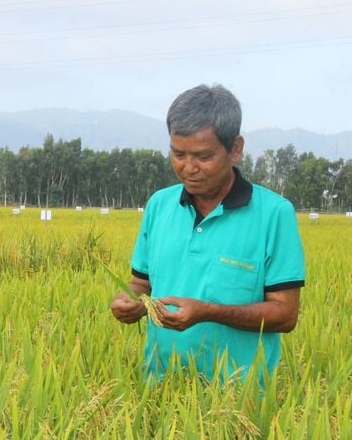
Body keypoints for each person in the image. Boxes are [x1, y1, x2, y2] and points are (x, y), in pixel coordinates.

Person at [110, 84, 305, 381]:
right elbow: (141, 282)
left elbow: (286, 314)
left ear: (235, 149)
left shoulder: (274, 214)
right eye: (178, 154)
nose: (189, 168)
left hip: (242, 396)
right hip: (161, 385)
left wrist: (209, 312)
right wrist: (132, 301)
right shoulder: (160, 205)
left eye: (203, 156)